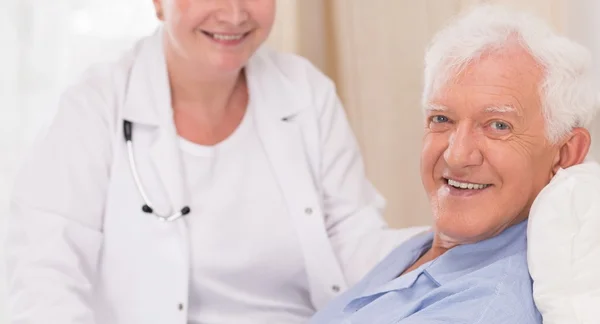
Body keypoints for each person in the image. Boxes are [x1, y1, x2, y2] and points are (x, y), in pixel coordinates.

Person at [4, 1, 426, 323]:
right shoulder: (96, 104)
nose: (235, 13)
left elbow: (352, 239)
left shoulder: (305, 92)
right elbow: (44, 273)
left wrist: (448, 243)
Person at [309, 5, 599, 324]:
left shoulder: (480, 309)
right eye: (442, 119)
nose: (456, 155)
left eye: (498, 125)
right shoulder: (425, 249)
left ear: (566, 153)